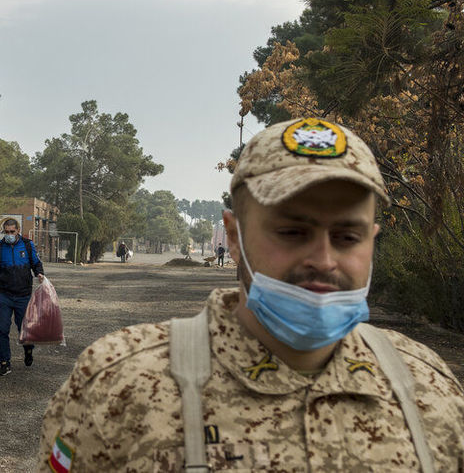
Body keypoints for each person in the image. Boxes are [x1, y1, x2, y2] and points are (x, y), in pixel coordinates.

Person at [38, 118, 464, 470]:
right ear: (233, 236)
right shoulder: (120, 385)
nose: (324, 259)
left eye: (348, 236)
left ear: (372, 239)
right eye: (292, 232)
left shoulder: (427, 390)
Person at [0, 219, 45, 376]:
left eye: (12, 232)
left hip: (23, 296)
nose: (9, 235)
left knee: (24, 330)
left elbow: (36, 263)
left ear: (18, 230)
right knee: (2, 329)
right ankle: (5, 363)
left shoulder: (27, 245)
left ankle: (28, 350)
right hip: (5, 296)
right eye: (6, 232)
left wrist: (40, 273)